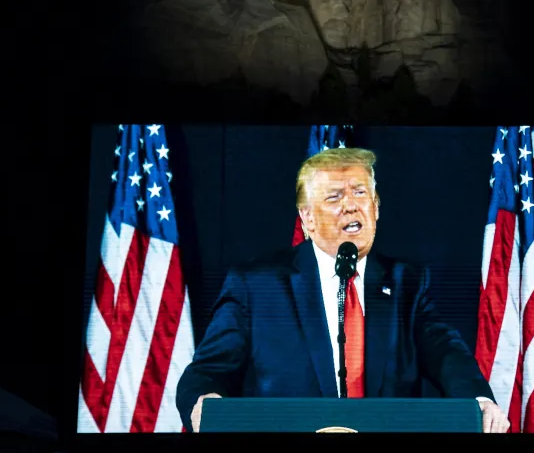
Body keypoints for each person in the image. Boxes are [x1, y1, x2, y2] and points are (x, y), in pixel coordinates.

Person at [176, 147, 511, 433]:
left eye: (360, 192)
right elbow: (205, 373)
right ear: (306, 218)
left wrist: (478, 401)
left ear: (376, 207)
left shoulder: (406, 282)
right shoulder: (257, 285)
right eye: (335, 197)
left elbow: (446, 353)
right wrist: (206, 399)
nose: (351, 206)